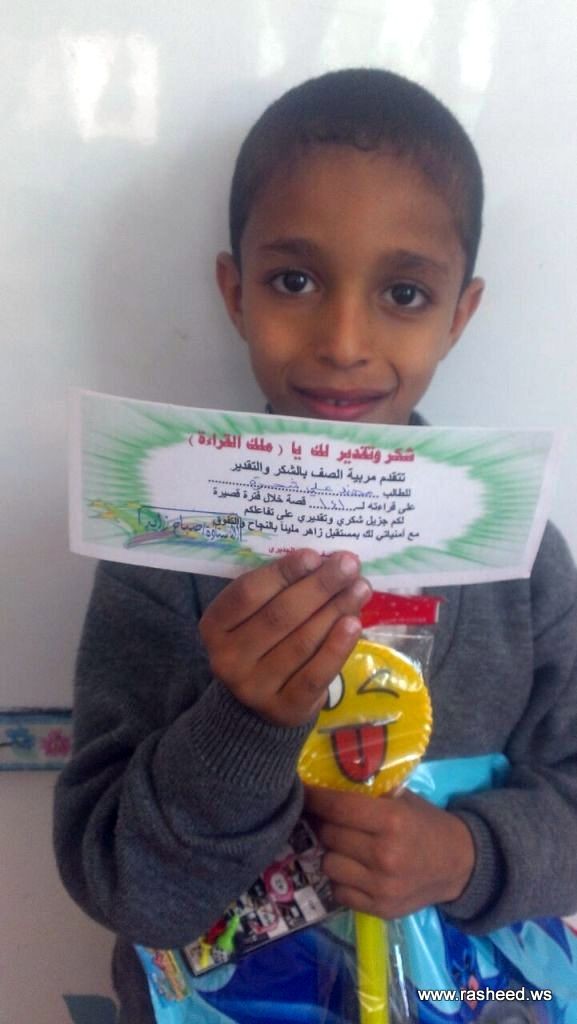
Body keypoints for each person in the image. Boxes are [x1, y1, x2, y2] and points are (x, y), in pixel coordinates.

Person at [54, 68, 577, 1023]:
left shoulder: (516, 559)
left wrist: (465, 854)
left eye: (404, 293)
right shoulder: (161, 545)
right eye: (293, 281)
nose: (342, 341)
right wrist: (247, 720)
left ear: (459, 314)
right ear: (234, 290)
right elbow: (123, 884)